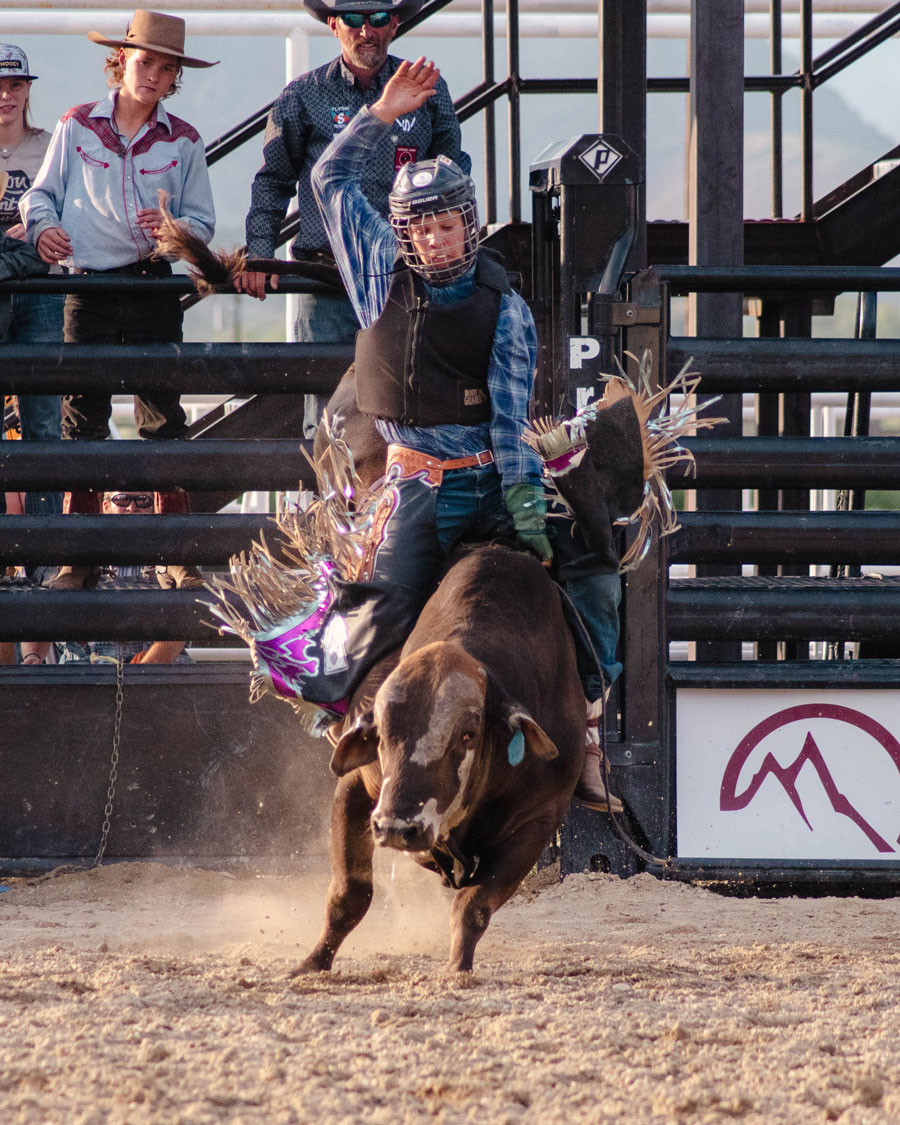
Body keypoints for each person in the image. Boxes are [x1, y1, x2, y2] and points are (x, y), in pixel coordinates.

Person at [241, 57, 620, 811]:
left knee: (591, 568)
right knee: (371, 610)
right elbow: (329, 180)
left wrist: (524, 506)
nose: (440, 241)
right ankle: (351, 726)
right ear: (404, 232)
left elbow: (509, 419)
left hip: (492, 477)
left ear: (468, 225)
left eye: (449, 226)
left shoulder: (505, 307)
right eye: (425, 227)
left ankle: (584, 724)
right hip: (415, 483)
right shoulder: (376, 271)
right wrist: (380, 115)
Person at [20, 10, 216, 591]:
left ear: (174, 77)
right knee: (82, 419)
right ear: (123, 60)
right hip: (89, 286)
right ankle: (80, 559)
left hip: (153, 284)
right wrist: (43, 230)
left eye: (166, 68)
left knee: (163, 417)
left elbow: (203, 221)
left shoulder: (185, 140)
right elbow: (41, 196)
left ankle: (174, 557)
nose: (153, 75)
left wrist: (175, 229)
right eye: (146, 62)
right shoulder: (76, 124)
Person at [236, 0, 469, 351]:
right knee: (324, 384)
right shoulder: (302, 94)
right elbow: (273, 180)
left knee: (405, 382)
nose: (366, 31)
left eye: (378, 18)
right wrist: (259, 252)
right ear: (334, 25)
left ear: (393, 24)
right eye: (353, 19)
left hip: (404, 278)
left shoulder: (426, 89)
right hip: (325, 281)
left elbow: (452, 175)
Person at [19, 490, 192, 667]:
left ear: (154, 508)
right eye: (122, 500)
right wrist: (33, 655)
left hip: (157, 668)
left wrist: (142, 672)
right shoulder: (66, 559)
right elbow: (42, 616)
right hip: (84, 669)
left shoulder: (173, 560)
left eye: (142, 500)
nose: (132, 507)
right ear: (106, 506)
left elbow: (179, 630)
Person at [0, 44, 64, 520]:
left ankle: (47, 543)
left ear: (27, 90)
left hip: (42, 292)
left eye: (15, 85)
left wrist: (41, 229)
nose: (5, 96)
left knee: (44, 418)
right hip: (20, 276)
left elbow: (73, 212)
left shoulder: (51, 146)